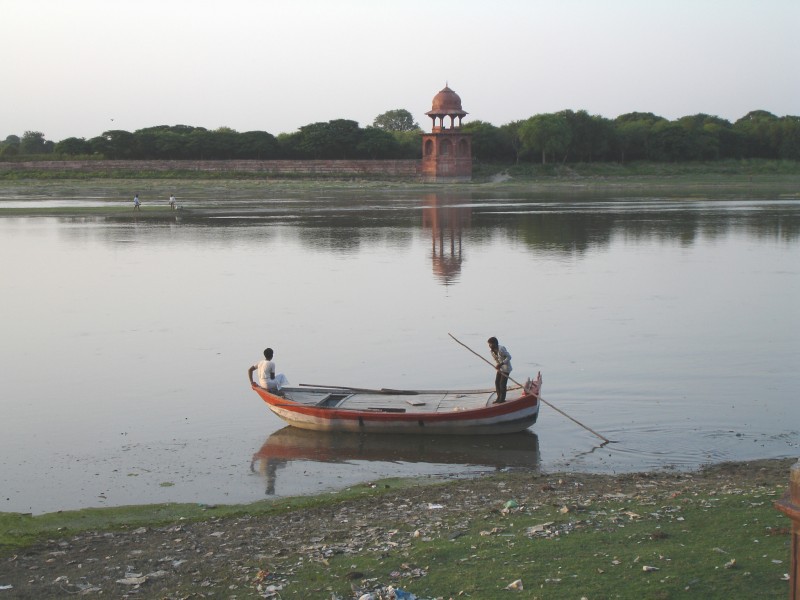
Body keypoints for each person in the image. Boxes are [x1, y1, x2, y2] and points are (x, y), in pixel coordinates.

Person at [488, 336, 512, 404]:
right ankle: (498, 398)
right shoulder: (491, 351)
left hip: (506, 368)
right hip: (500, 368)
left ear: (495, 344)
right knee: (497, 382)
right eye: (489, 344)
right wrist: (498, 366)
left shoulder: (501, 349)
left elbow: (509, 357)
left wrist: (501, 364)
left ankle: (502, 399)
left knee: (502, 384)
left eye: (490, 344)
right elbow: (496, 359)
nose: (489, 346)